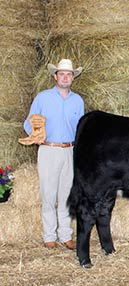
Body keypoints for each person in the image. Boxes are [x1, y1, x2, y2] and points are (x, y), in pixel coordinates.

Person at [23, 59, 84, 250]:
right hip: (48, 149)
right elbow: (28, 123)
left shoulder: (78, 100)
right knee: (48, 194)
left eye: (69, 74)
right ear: (55, 76)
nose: (65, 77)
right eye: (62, 74)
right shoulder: (42, 98)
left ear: (73, 78)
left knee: (67, 194)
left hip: (70, 150)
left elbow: (80, 129)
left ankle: (65, 235)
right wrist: (35, 136)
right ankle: (49, 235)